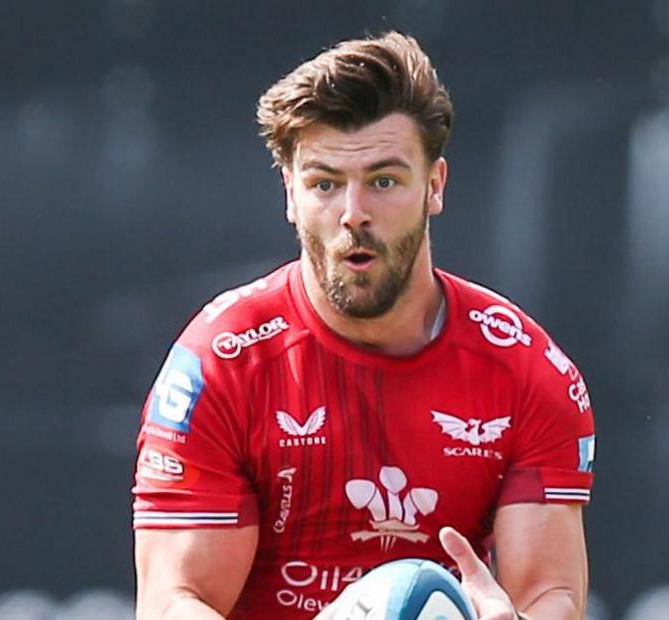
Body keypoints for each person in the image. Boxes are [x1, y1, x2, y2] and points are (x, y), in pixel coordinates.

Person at [132, 31, 596, 620]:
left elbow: (550, 593)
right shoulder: (221, 363)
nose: (354, 213)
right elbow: (176, 601)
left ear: (434, 185)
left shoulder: (526, 369)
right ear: (290, 196)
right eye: (324, 183)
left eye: (383, 180)